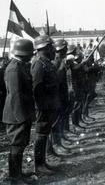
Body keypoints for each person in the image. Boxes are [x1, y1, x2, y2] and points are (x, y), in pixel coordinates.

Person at [2, 39, 35, 183]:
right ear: (24, 54)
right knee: (16, 146)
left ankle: (18, 173)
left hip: (21, 112)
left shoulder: (20, 66)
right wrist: (22, 117)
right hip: (16, 114)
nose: (31, 56)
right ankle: (14, 177)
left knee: (20, 145)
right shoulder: (14, 68)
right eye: (30, 53)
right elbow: (15, 95)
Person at [31, 35, 61, 174]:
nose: (53, 49)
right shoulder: (38, 64)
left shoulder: (46, 62)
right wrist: (41, 107)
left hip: (49, 105)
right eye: (50, 47)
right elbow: (37, 88)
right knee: (41, 135)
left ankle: (43, 162)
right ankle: (39, 165)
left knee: (45, 133)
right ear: (44, 48)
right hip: (43, 106)